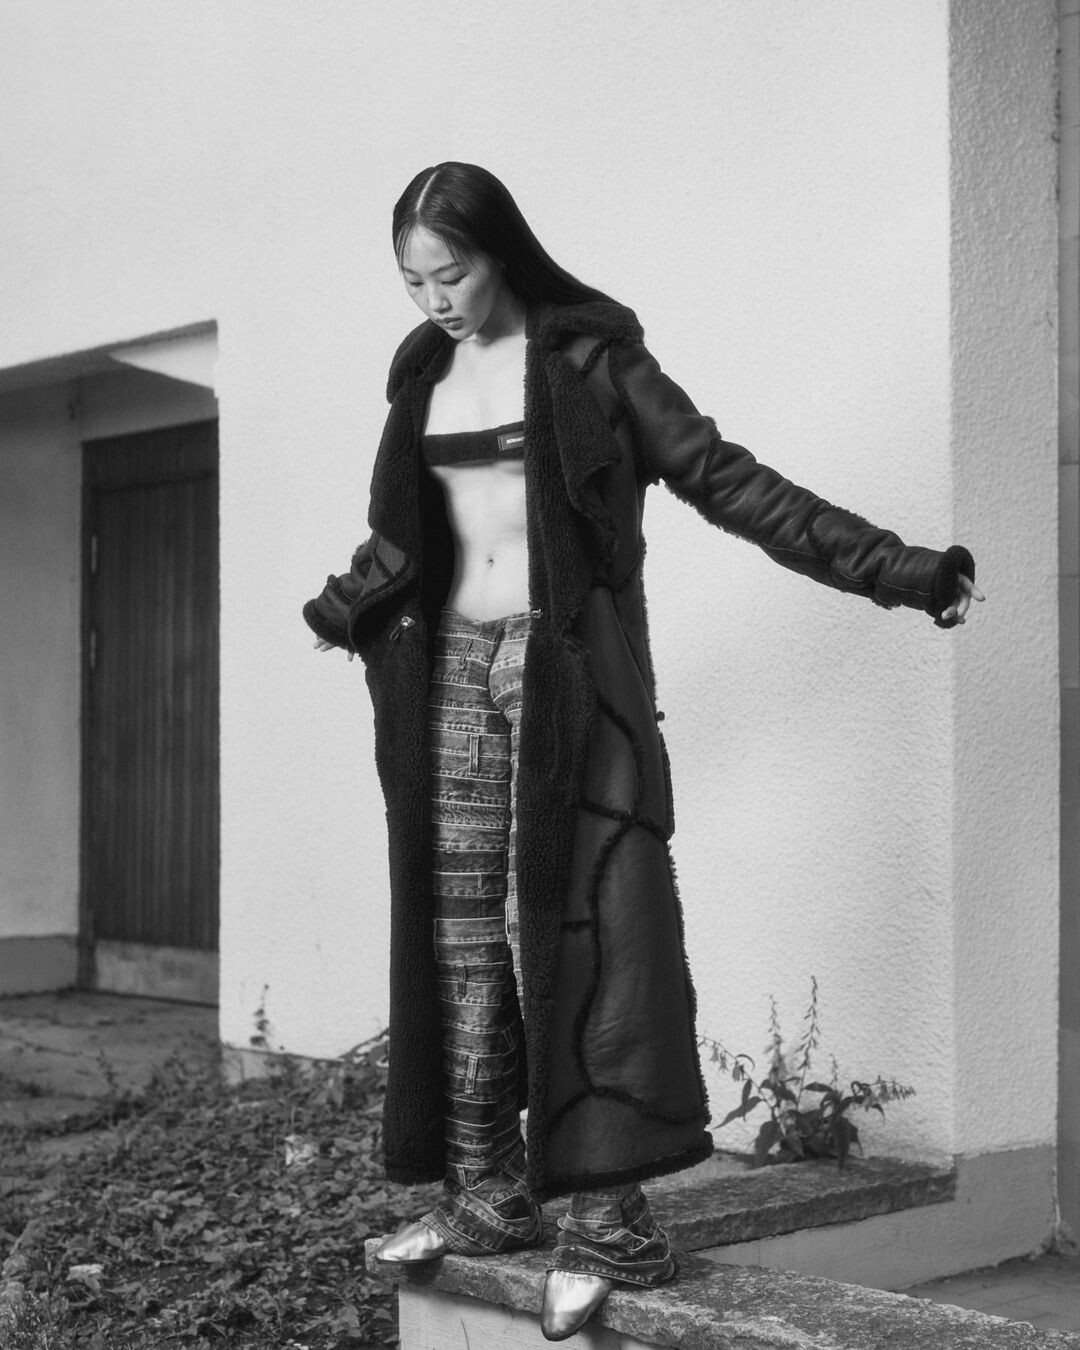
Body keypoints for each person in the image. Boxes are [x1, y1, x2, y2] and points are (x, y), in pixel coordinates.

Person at [304, 162, 982, 1341]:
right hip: (448, 672)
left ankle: (608, 1224)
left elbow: (731, 483)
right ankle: (485, 1195)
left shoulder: (593, 363)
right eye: (413, 282)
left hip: (566, 677)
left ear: (502, 252)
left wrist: (903, 572)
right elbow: (404, 536)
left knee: (586, 934)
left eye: (451, 273)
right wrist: (339, 607)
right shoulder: (421, 376)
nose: (434, 300)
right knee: (457, 934)